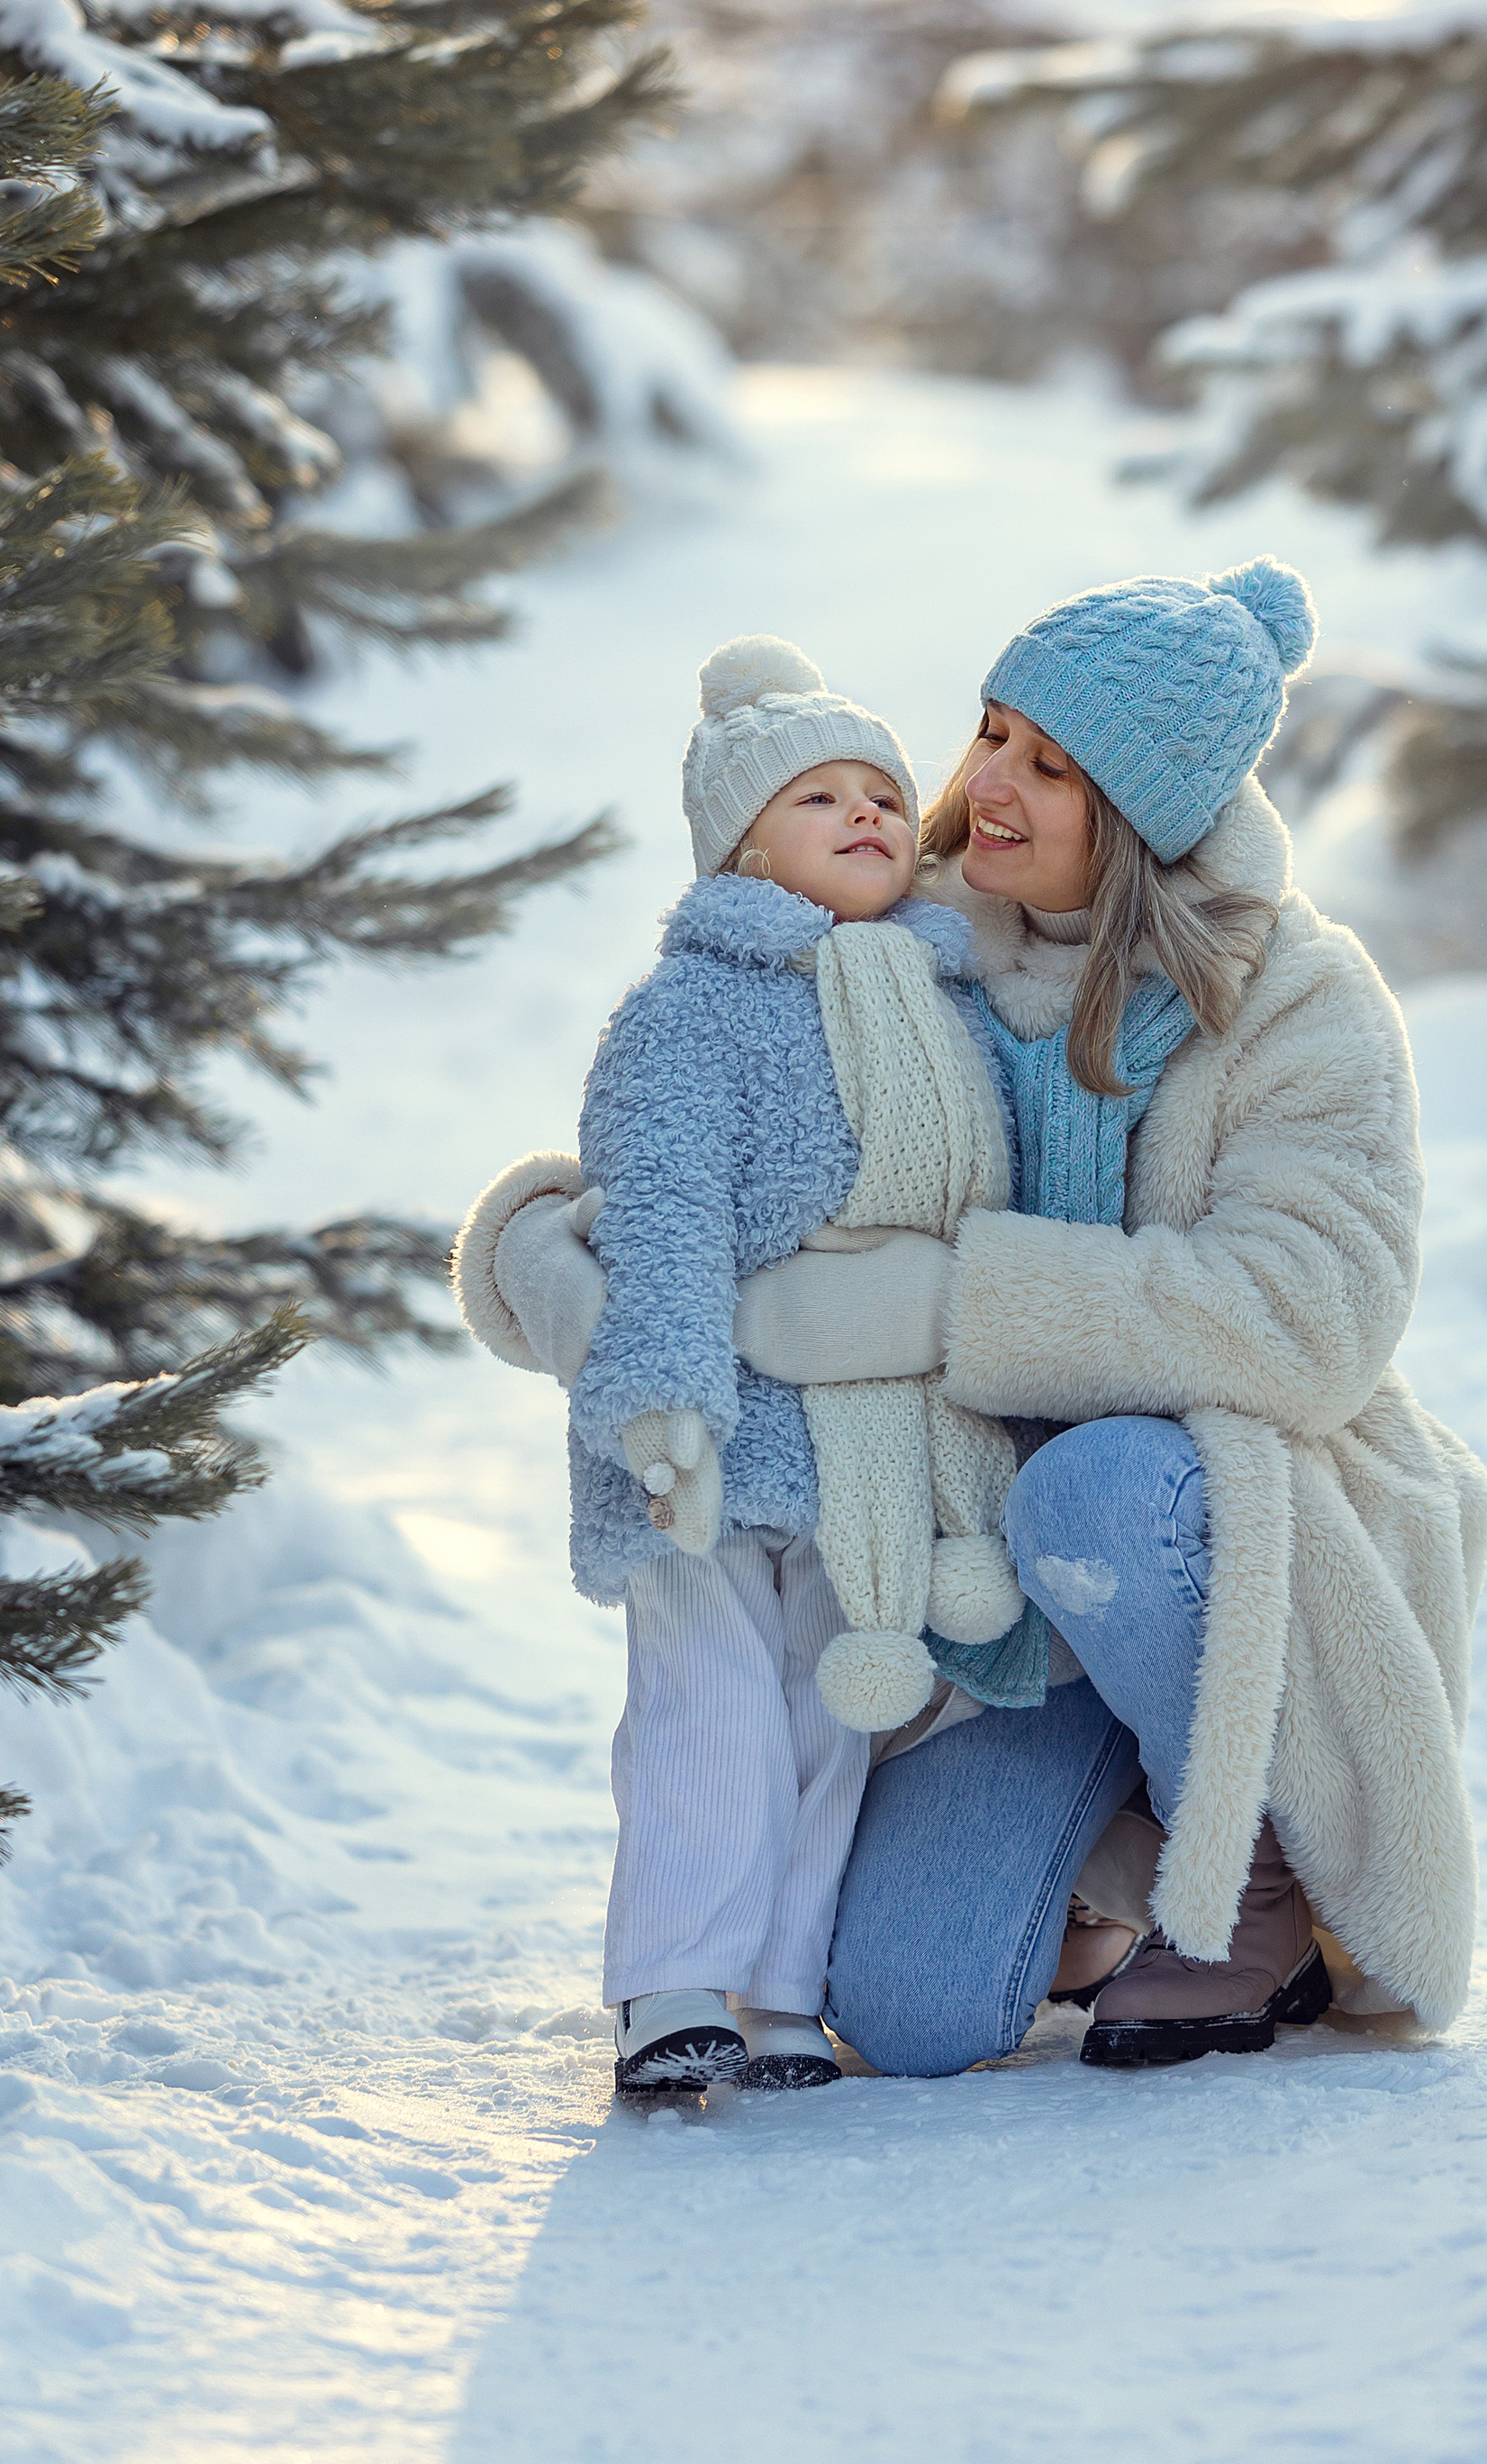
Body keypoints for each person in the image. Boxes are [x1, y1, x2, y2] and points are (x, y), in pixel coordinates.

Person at [467, 559, 1487, 2078]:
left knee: (1100, 1486)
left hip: (1184, 1540)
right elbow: (681, 1129)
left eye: (1050, 767)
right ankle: (1124, 1861)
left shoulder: (1298, 998)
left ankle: (1258, 1864)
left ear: (1140, 816)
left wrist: (946, 1305)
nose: (983, 788)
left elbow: (1313, 1314)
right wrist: (566, 1281)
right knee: (909, 2009)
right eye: (993, 733)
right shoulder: (915, 925)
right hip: (976, 1582)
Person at [452, 637, 1021, 2096]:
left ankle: (778, 1988)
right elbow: (661, 1206)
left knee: (836, 1707)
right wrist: (661, 1398)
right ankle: (672, 1983)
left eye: (885, 794)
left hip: (865, 1442)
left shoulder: (941, 1000)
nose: (868, 817)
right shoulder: (689, 1009)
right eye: (818, 797)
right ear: (741, 850)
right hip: (701, 1430)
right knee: (706, 1699)